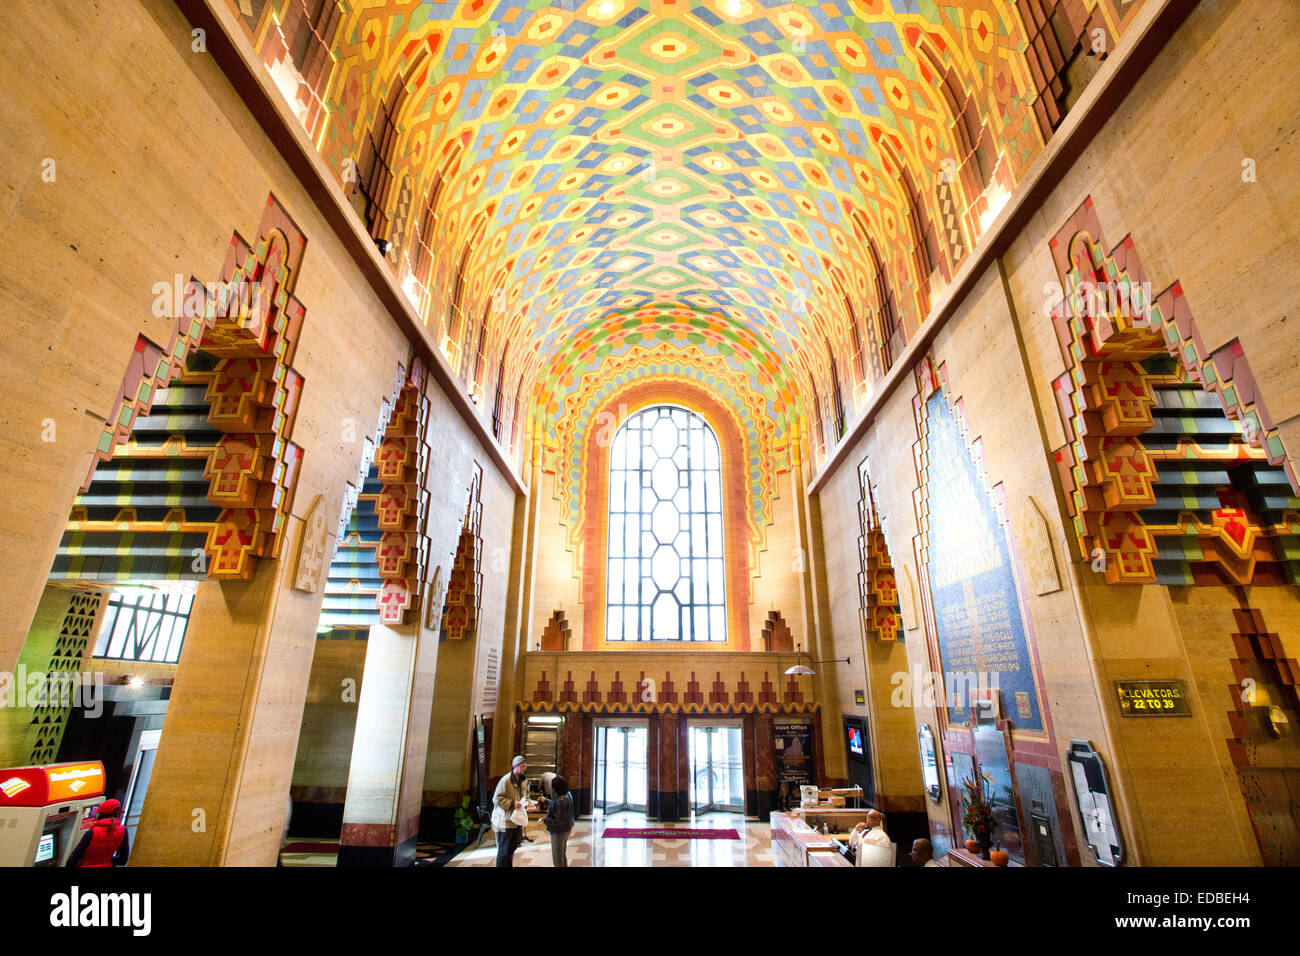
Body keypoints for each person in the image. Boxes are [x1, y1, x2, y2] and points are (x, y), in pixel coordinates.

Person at [66, 799, 129, 867]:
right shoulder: (123, 830)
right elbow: (123, 860)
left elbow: (72, 860)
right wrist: (106, 861)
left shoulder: (91, 833)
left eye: (97, 813)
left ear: (100, 815)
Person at [492, 755, 529, 867]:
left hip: (516, 820)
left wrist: (527, 804)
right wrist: (512, 803)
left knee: (512, 848)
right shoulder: (506, 780)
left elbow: (524, 795)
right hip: (505, 821)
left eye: (525, 766)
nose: (524, 769)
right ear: (515, 767)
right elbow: (496, 798)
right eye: (522, 766)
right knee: (504, 850)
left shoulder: (522, 780)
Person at [543, 774, 574, 868]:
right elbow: (558, 808)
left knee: (557, 858)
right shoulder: (566, 795)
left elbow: (558, 820)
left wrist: (546, 820)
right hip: (566, 828)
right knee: (561, 855)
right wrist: (547, 801)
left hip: (559, 831)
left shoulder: (561, 800)